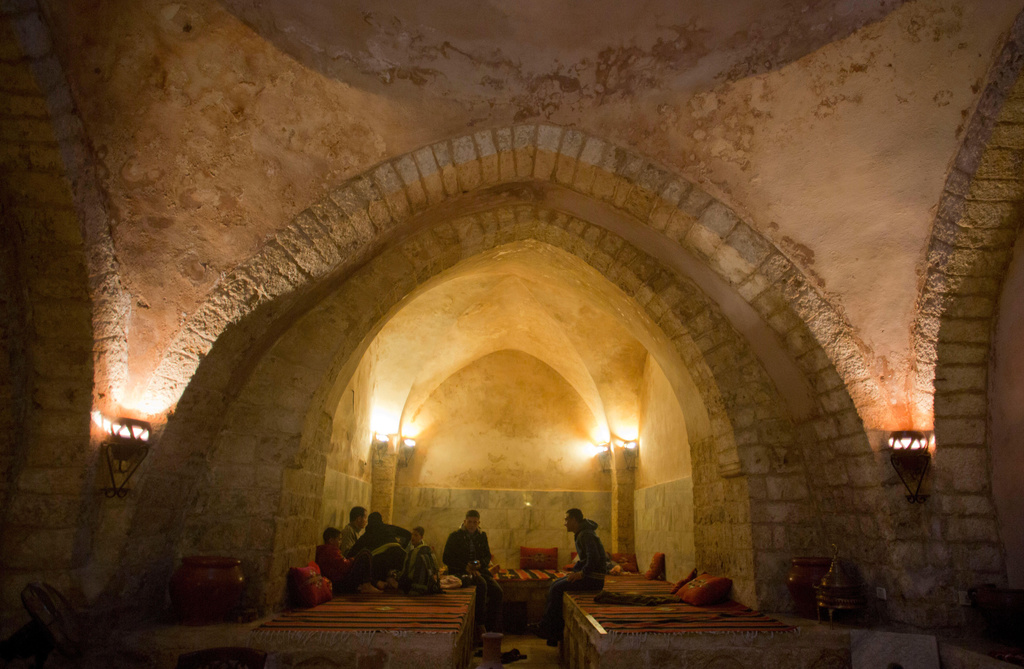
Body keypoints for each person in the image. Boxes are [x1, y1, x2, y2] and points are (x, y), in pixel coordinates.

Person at [532, 508, 606, 646]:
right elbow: (585, 560)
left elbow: (594, 558)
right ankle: (551, 632)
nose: (565, 523)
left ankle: (550, 630)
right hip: (591, 576)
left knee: (557, 589)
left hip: (594, 579)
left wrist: (582, 574)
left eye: (566, 520)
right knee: (555, 584)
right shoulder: (582, 533)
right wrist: (576, 571)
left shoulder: (586, 534)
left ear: (574, 520)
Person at [443, 510, 502, 634]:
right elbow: (446, 558)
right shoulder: (455, 536)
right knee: (481, 584)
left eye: (475, 522)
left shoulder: (482, 536)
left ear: (478, 523)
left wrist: (481, 563)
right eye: (469, 522)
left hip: (478, 570)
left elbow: (486, 556)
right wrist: (465, 567)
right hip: (460, 571)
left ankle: (491, 628)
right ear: (464, 521)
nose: (472, 525)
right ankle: (480, 625)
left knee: (497, 591)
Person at [346, 511, 411, 587]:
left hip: (381, 558)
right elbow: (408, 534)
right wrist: (401, 546)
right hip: (399, 554)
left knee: (371, 567)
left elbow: (355, 549)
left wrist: (345, 559)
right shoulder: (389, 527)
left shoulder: (368, 534)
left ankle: (383, 581)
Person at [315, 527, 380, 594]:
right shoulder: (330, 551)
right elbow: (344, 566)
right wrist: (353, 560)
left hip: (337, 583)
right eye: (339, 540)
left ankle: (373, 583)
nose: (341, 542)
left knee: (364, 555)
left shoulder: (324, 550)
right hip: (340, 585)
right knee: (365, 554)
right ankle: (367, 585)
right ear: (331, 540)